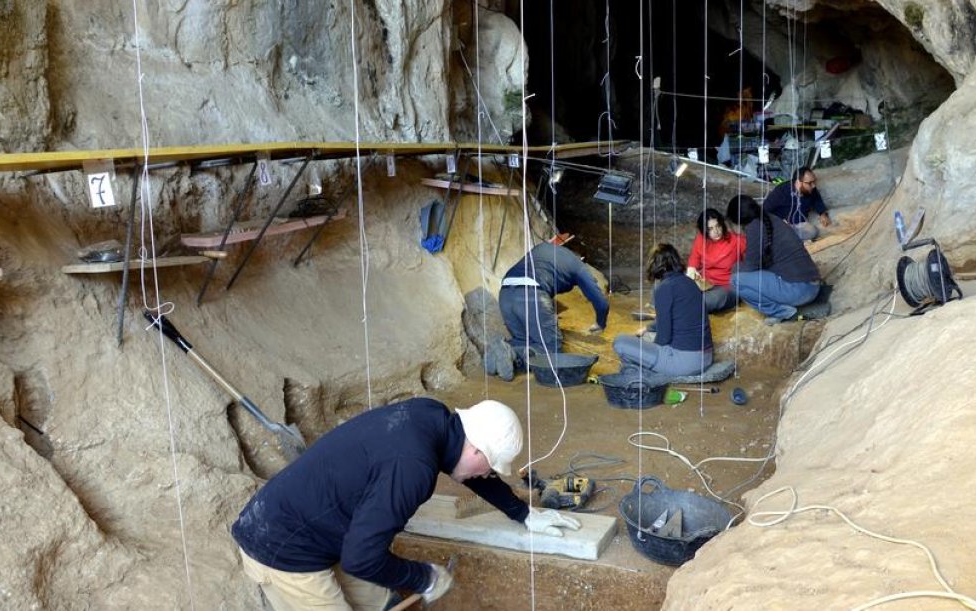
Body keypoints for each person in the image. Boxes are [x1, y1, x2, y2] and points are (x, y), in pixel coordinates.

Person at [231, 398, 580, 610]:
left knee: (387, 605)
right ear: (475, 449)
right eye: (490, 464)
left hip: (319, 532)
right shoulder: (413, 469)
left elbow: (470, 471)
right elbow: (361, 558)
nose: (489, 473)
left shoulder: (433, 419)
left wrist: (522, 513)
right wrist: (424, 577)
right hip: (280, 547)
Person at [486, 243, 610, 380]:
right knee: (551, 350)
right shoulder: (577, 265)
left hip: (505, 292)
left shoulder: (543, 248)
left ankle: (499, 351)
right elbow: (601, 301)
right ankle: (512, 353)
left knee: (524, 340)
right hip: (532, 293)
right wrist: (600, 323)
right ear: (580, 257)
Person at [612, 244, 713, 376]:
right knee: (645, 337)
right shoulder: (689, 282)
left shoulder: (664, 288)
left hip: (685, 363)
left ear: (658, 265)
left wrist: (651, 350)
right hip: (706, 358)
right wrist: (648, 328)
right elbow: (677, 318)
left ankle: (639, 375)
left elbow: (663, 338)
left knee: (620, 342)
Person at [726, 195, 821, 325]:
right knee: (742, 273)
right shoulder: (768, 218)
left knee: (735, 280)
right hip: (811, 284)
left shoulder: (754, 228)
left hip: (801, 291)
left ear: (738, 220)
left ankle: (782, 312)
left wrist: (734, 267)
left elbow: (751, 266)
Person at [686, 208, 746, 313]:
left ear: (722, 224)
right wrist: (691, 270)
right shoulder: (701, 239)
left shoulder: (737, 240)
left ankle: (683, 309)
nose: (716, 231)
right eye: (710, 229)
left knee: (707, 300)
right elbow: (694, 260)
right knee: (672, 286)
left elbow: (753, 261)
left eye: (718, 226)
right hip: (705, 283)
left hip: (727, 288)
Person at [761, 167, 832, 241]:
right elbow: (764, 210)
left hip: (799, 224)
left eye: (814, 181)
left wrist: (822, 213)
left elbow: (817, 200)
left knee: (812, 231)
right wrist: (779, 224)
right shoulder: (781, 192)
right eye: (810, 183)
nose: (813, 185)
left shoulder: (811, 189)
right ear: (798, 183)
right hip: (782, 225)